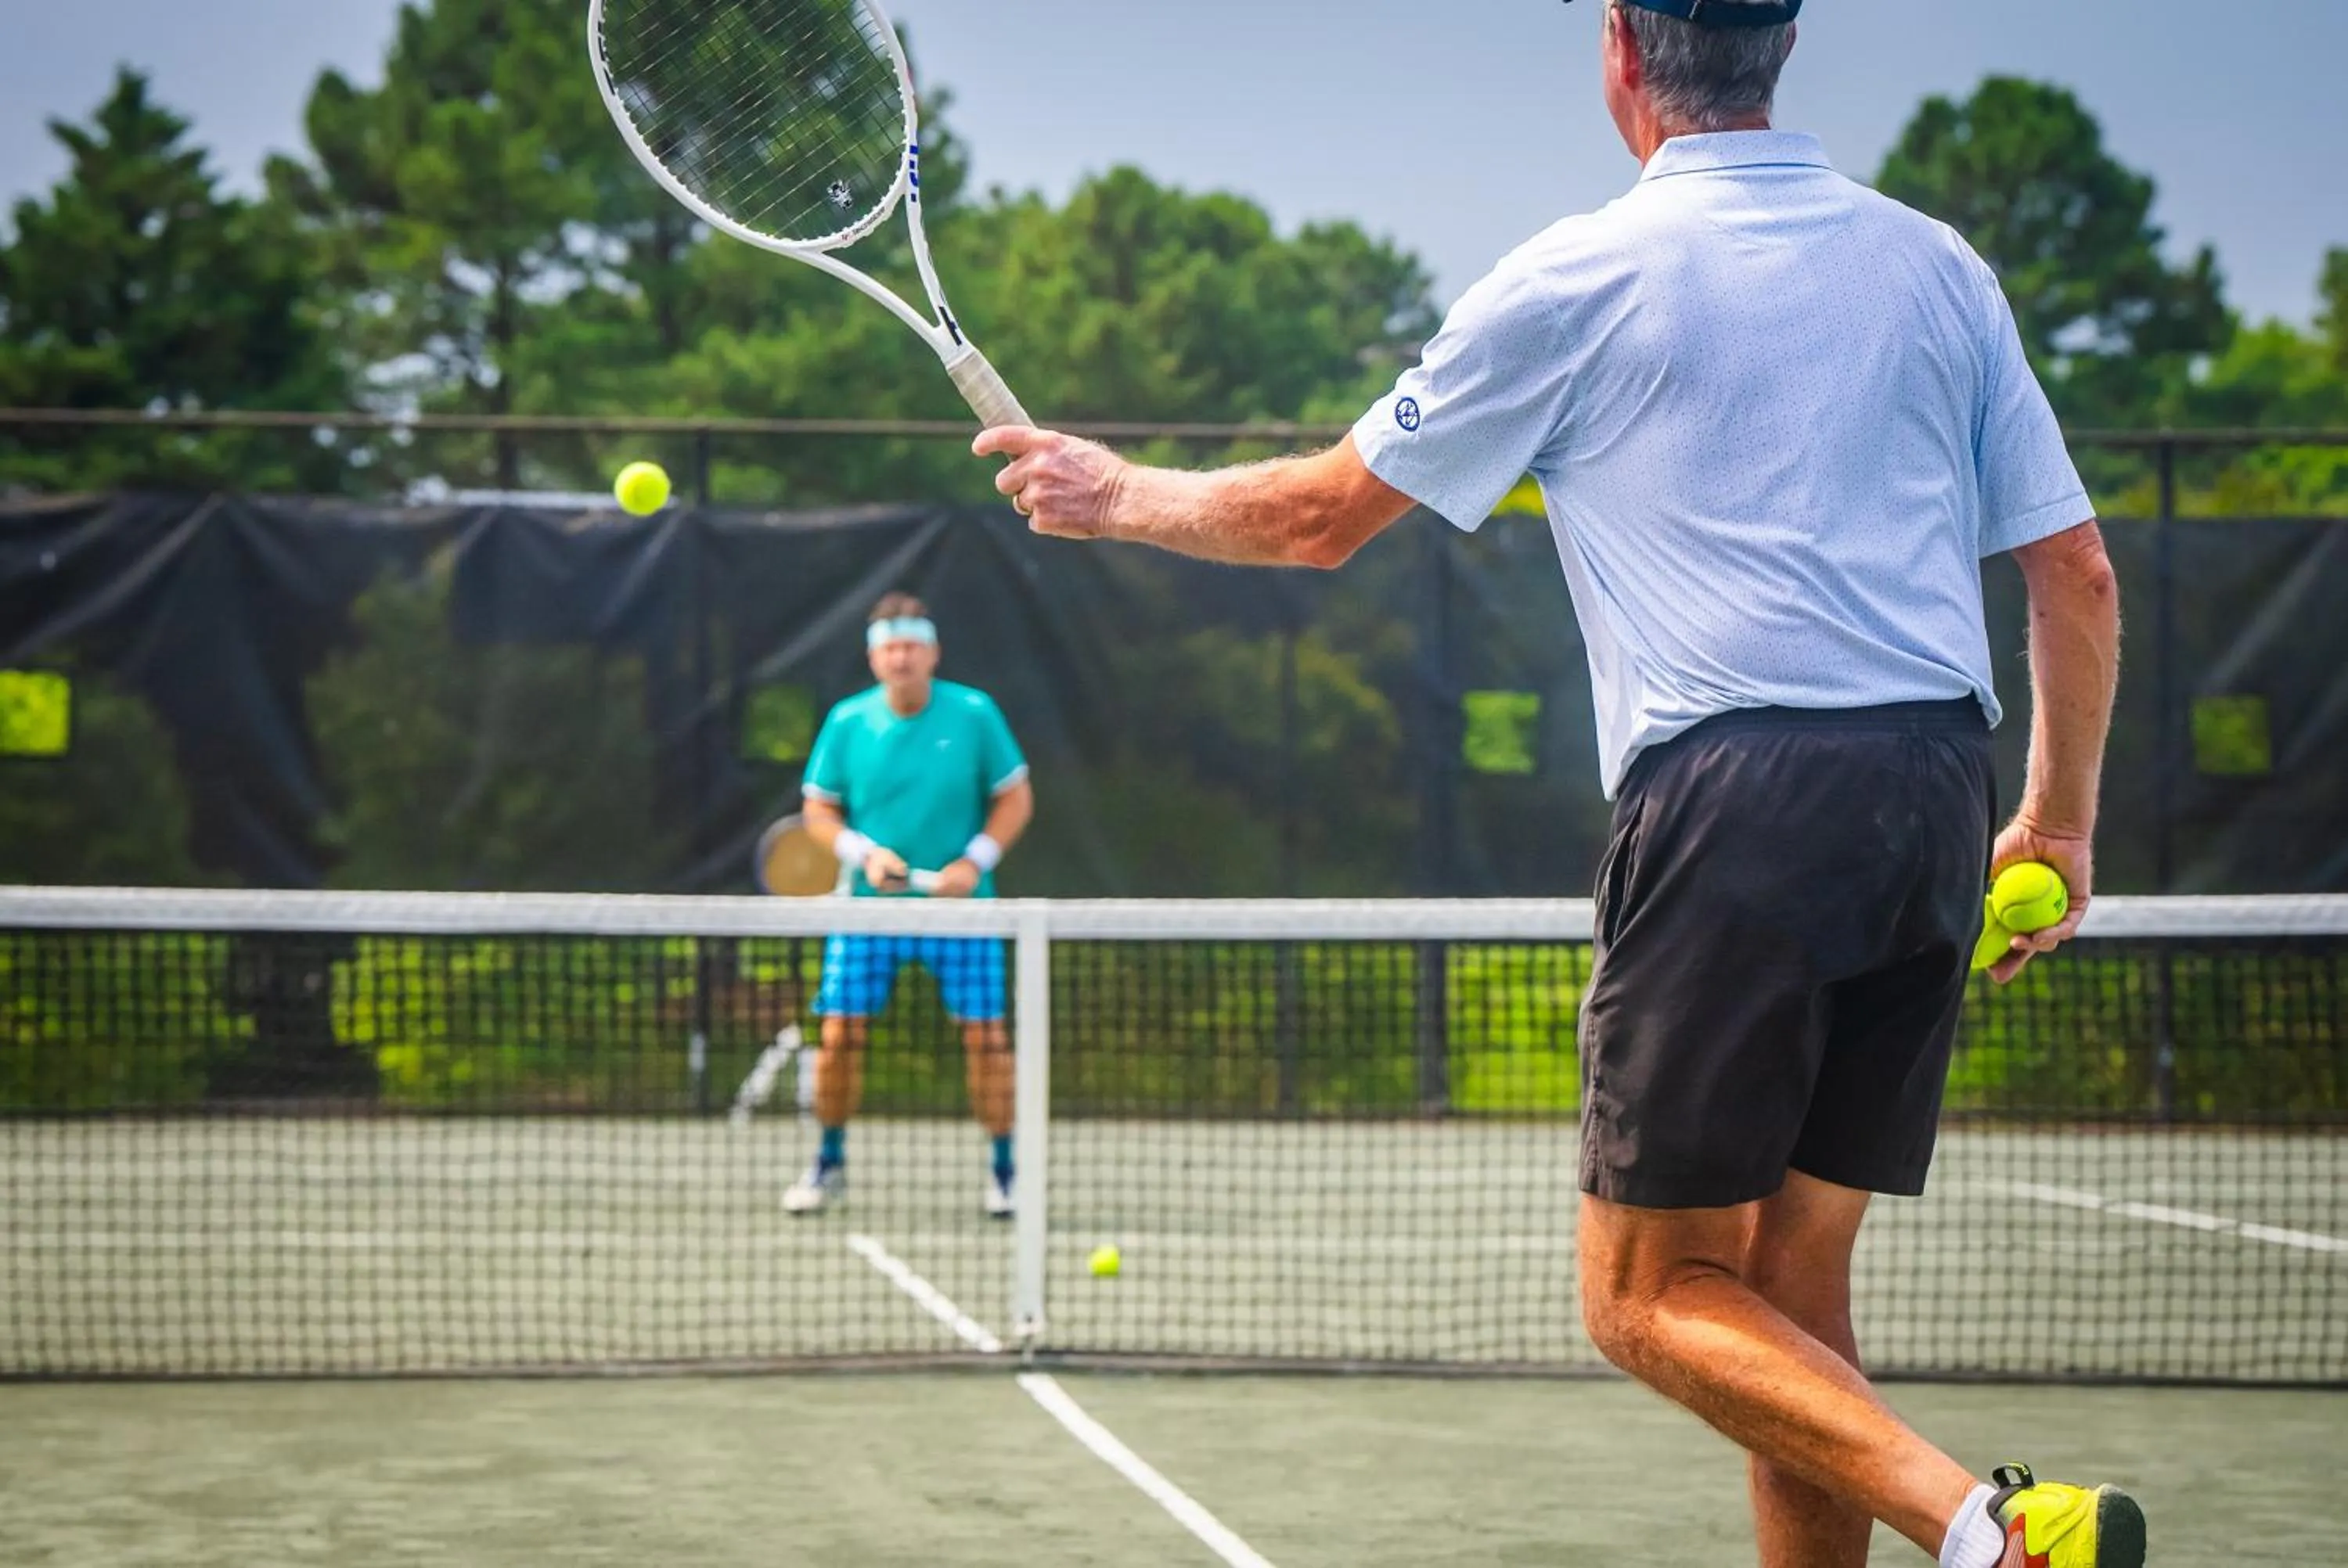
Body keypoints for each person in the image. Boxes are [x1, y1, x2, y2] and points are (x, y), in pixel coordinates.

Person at [972, 2, 2133, 1564]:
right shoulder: (1938, 267)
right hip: (1935, 785)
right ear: (1780, 45)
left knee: (1646, 1297)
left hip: (1740, 802)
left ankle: (1988, 1533)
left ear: (1618, 51)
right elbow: (2078, 573)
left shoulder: (1579, 274)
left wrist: (1116, 495)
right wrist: (2054, 821)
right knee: (1788, 1300)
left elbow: (1321, 516)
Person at [784, 593, 1035, 1220]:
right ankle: (829, 1160)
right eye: (890, 647)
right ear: (874, 657)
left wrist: (972, 863)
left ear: (933, 653)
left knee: (988, 1040)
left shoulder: (975, 714)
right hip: (867, 912)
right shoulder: (847, 722)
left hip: (964, 912)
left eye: (913, 645)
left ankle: (1005, 1171)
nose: (902, 657)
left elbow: (1014, 799)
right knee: (839, 1037)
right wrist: (863, 854)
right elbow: (819, 809)